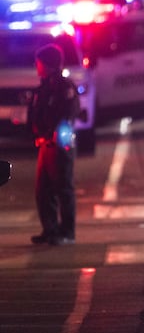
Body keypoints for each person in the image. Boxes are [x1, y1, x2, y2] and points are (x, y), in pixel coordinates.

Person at [28, 43, 80, 246]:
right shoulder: (44, 87)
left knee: (63, 188)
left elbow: (70, 113)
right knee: (43, 190)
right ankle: (50, 230)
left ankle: (67, 232)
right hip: (45, 145)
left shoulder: (64, 86)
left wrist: (60, 137)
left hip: (60, 145)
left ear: (48, 64)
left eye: (39, 62)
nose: (36, 66)